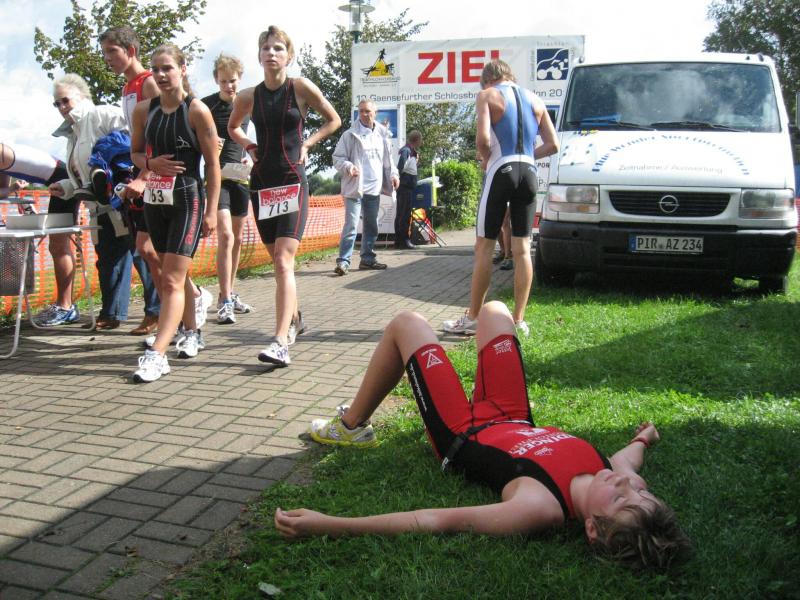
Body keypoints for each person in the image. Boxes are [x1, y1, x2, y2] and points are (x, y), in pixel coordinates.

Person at [276, 301, 690, 569]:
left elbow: (437, 520)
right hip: (512, 414)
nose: (624, 483)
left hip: (461, 430)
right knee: (494, 311)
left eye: (620, 498)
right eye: (641, 490)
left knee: (407, 323)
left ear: (593, 530)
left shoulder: (540, 506)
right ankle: (475, 379)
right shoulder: (610, 472)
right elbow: (628, 461)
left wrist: (330, 524)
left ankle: (351, 426)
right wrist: (644, 439)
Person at [228, 25, 341, 367]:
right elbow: (233, 126)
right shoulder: (248, 96)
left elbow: (333, 120)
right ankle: (295, 318)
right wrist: (249, 145)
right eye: (266, 48)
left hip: (293, 181)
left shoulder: (300, 87)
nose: (271, 53)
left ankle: (279, 342)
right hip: (262, 184)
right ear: (259, 55)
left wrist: (307, 144)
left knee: (282, 260)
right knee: (277, 264)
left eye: (278, 48)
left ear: (289, 56)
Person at [100, 26, 212, 338]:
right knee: (149, 252)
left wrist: (144, 176)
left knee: (156, 256)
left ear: (129, 51)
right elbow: (140, 145)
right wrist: (145, 168)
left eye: (112, 51)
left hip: (174, 187)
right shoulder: (129, 89)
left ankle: (170, 316)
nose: (107, 58)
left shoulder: (149, 84)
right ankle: (178, 312)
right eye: (104, 52)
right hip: (153, 189)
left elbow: (169, 142)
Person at [443, 59, 558, 337]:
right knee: (522, 248)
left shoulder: (487, 95)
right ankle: (518, 321)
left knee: (484, 246)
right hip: (529, 172)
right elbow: (553, 144)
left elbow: (483, 140)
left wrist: (486, 159)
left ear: (487, 80)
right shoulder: (535, 99)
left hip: (501, 169)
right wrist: (527, 156)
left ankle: (473, 319)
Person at [129, 44, 220, 382]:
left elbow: (213, 165)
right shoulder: (144, 111)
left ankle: (158, 354)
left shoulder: (197, 111)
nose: (161, 75)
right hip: (156, 200)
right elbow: (135, 154)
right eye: (155, 69)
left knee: (170, 279)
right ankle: (192, 332)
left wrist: (212, 211)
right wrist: (151, 163)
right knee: (169, 270)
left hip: (187, 200)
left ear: (182, 69)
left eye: (167, 68)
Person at [45, 74, 129, 328]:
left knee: (143, 259)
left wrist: (125, 182)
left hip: (122, 202)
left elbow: (134, 144)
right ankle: (111, 314)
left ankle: (161, 312)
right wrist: (66, 187)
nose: (61, 107)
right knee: (108, 260)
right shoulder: (74, 133)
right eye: (56, 103)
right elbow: (84, 176)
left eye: (65, 100)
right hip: (99, 207)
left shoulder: (103, 114)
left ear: (82, 97)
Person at [201, 54, 253, 325]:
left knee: (238, 238)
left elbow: (251, 136)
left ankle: (229, 293)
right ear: (216, 80)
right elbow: (194, 136)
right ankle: (223, 301)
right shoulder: (206, 105)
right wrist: (208, 146)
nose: (229, 86)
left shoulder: (246, 102)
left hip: (240, 175)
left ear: (239, 79)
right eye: (223, 82)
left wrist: (250, 155)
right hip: (216, 176)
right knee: (225, 236)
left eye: (232, 81)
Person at [332, 99, 399, 275]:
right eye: (361, 111)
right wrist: (348, 167)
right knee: (351, 225)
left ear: (375, 113)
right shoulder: (349, 135)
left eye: (367, 111)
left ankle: (367, 260)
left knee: (372, 226)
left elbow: (389, 161)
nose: (364, 114)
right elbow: (337, 158)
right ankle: (343, 261)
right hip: (355, 188)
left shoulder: (383, 134)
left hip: (374, 189)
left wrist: (394, 175)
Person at [0, 142, 67, 201]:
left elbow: (3, 193)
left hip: (59, 176)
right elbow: (4, 191)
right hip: (58, 169)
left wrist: (13, 188)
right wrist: (13, 188)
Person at [394, 130, 422, 249]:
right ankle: (404, 241)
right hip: (405, 187)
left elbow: (408, 167)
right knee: (404, 215)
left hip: (405, 187)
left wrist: (416, 162)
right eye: (421, 140)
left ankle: (399, 241)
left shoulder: (410, 152)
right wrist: (402, 180)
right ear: (417, 140)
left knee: (402, 214)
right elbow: (401, 167)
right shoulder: (406, 151)